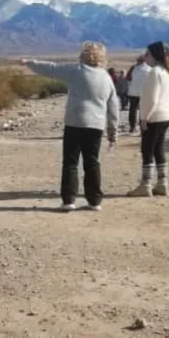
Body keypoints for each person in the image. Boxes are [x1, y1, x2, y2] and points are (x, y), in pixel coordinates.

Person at [21, 42, 120, 212]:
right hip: (96, 125)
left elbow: (51, 68)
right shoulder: (106, 77)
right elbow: (113, 105)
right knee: (92, 162)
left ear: (83, 55)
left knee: (70, 162)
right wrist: (113, 131)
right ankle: (95, 201)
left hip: (75, 122)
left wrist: (30, 63)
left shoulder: (76, 70)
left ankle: (68, 200)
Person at [127, 41, 169, 198]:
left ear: (154, 55)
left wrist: (144, 118)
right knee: (158, 149)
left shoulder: (154, 72)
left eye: (147, 54)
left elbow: (151, 99)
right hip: (165, 115)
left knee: (147, 150)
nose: (145, 57)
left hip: (154, 117)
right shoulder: (167, 72)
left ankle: (145, 185)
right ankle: (162, 183)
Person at [125, 56, 151, 134]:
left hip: (133, 92)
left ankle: (132, 127)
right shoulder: (149, 69)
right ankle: (142, 128)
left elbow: (127, 78)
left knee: (132, 109)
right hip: (144, 92)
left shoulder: (133, 68)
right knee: (143, 111)